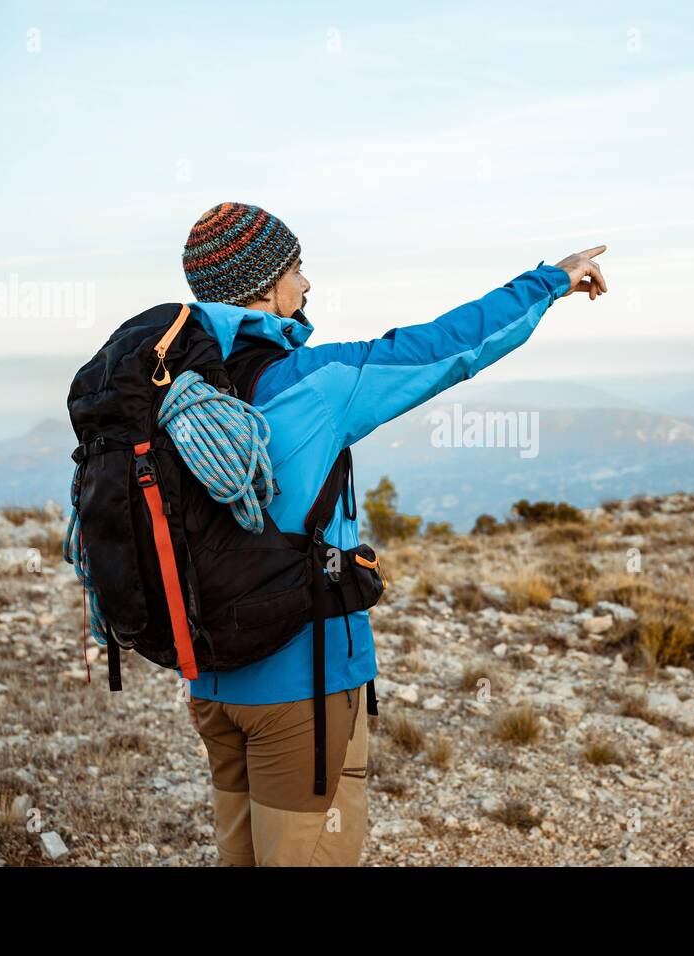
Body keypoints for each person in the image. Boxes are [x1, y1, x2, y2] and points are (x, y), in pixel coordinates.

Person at [180, 201, 607, 866]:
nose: (307, 285)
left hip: (211, 685)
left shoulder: (173, 393)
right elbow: (445, 348)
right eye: (297, 269)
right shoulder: (312, 383)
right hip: (302, 686)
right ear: (263, 287)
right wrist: (549, 280)